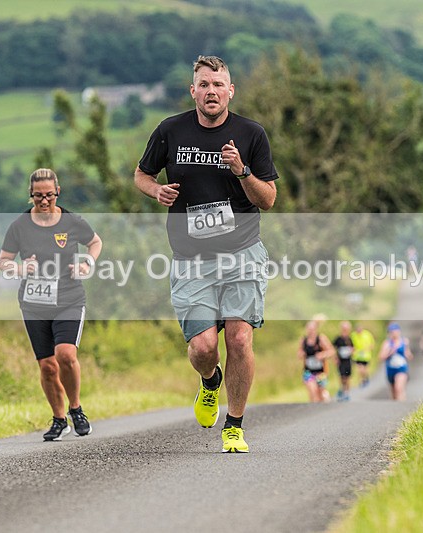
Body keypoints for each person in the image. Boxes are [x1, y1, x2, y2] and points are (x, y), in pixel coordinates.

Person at [134, 55, 278, 453]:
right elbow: (142, 174)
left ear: (230, 91)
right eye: (204, 84)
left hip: (242, 253)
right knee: (202, 348)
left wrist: (242, 171)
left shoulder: (251, 134)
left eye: (219, 84)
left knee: (239, 339)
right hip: (191, 258)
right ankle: (210, 381)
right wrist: (156, 191)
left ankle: (234, 425)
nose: (211, 91)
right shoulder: (170, 131)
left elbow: (267, 199)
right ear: (193, 90)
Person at [0, 168, 103, 441]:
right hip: (34, 303)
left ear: (58, 192)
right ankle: (59, 419)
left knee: (66, 355)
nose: (44, 202)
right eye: (38, 197)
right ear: (30, 195)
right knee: (47, 365)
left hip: (69, 298)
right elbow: (3, 262)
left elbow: (95, 242)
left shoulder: (71, 221)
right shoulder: (19, 225)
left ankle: (76, 408)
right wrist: (21, 269)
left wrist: (87, 263)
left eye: (49, 196)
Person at [297, 321, 333, 403]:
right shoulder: (304, 340)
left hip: (321, 372)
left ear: (316, 329)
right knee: (313, 392)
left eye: (312, 329)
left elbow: (331, 351)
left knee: (320, 394)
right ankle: (314, 410)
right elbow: (299, 353)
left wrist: (323, 355)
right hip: (308, 372)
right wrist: (301, 354)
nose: (310, 331)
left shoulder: (321, 339)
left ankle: (325, 399)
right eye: (309, 329)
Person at [379, 323, 413, 401]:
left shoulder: (404, 342)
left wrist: (407, 353)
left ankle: (402, 406)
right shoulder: (387, 343)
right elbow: (381, 357)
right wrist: (390, 352)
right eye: (392, 332)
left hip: (401, 368)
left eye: (396, 332)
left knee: (399, 388)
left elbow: (409, 355)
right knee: (394, 392)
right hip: (390, 369)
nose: (394, 334)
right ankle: (395, 408)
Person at [332, 321, 354, 401]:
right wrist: (335, 358)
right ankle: (342, 389)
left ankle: (346, 393)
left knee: (347, 377)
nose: (345, 330)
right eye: (344, 328)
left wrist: (352, 351)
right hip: (341, 361)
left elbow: (353, 348)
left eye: (347, 329)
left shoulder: (350, 339)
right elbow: (333, 348)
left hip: (348, 361)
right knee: (342, 376)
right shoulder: (338, 339)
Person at [350, 322, 375, 387]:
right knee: (360, 369)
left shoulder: (367, 334)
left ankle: (366, 378)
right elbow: (350, 345)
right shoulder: (353, 335)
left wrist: (368, 349)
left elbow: (372, 344)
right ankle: (362, 381)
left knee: (365, 369)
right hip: (357, 356)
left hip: (366, 356)